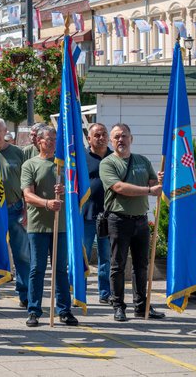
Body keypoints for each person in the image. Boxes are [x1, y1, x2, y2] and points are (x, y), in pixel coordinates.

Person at [99, 123, 165, 322]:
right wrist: (148, 190)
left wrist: (161, 180)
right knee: (117, 265)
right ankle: (118, 306)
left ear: (131, 139)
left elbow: (154, 184)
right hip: (118, 220)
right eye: (117, 137)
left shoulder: (142, 161)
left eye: (124, 136)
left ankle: (141, 305)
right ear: (111, 141)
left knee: (142, 265)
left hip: (141, 221)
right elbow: (119, 187)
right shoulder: (108, 163)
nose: (121, 140)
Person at [21, 125, 78, 328]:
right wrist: (46, 203)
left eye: (55, 139)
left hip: (60, 225)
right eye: (49, 139)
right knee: (37, 268)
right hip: (38, 225)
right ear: (39, 142)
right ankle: (34, 310)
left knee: (60, 269)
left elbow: (77, 191)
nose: (53, 143)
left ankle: (64, 309)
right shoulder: (30, 165)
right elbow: (27, 194)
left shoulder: (63, 164)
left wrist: (66, 189)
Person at [0, 117, 30, 308]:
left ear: (6, 132)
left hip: (14, 208)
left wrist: (27, 210)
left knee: (22, 254)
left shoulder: (17, 153)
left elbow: (27, 184)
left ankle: (25, 294)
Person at [82, 123, 113, 305]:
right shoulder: (82, 157)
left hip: (110, 215)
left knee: (106, 257)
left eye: (104, 134)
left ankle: (105, 293)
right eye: (97, 135)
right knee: (82, 256)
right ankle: (80, 291)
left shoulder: (114, 157)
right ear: (89, 139)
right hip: (86, 215)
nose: (101, 138)